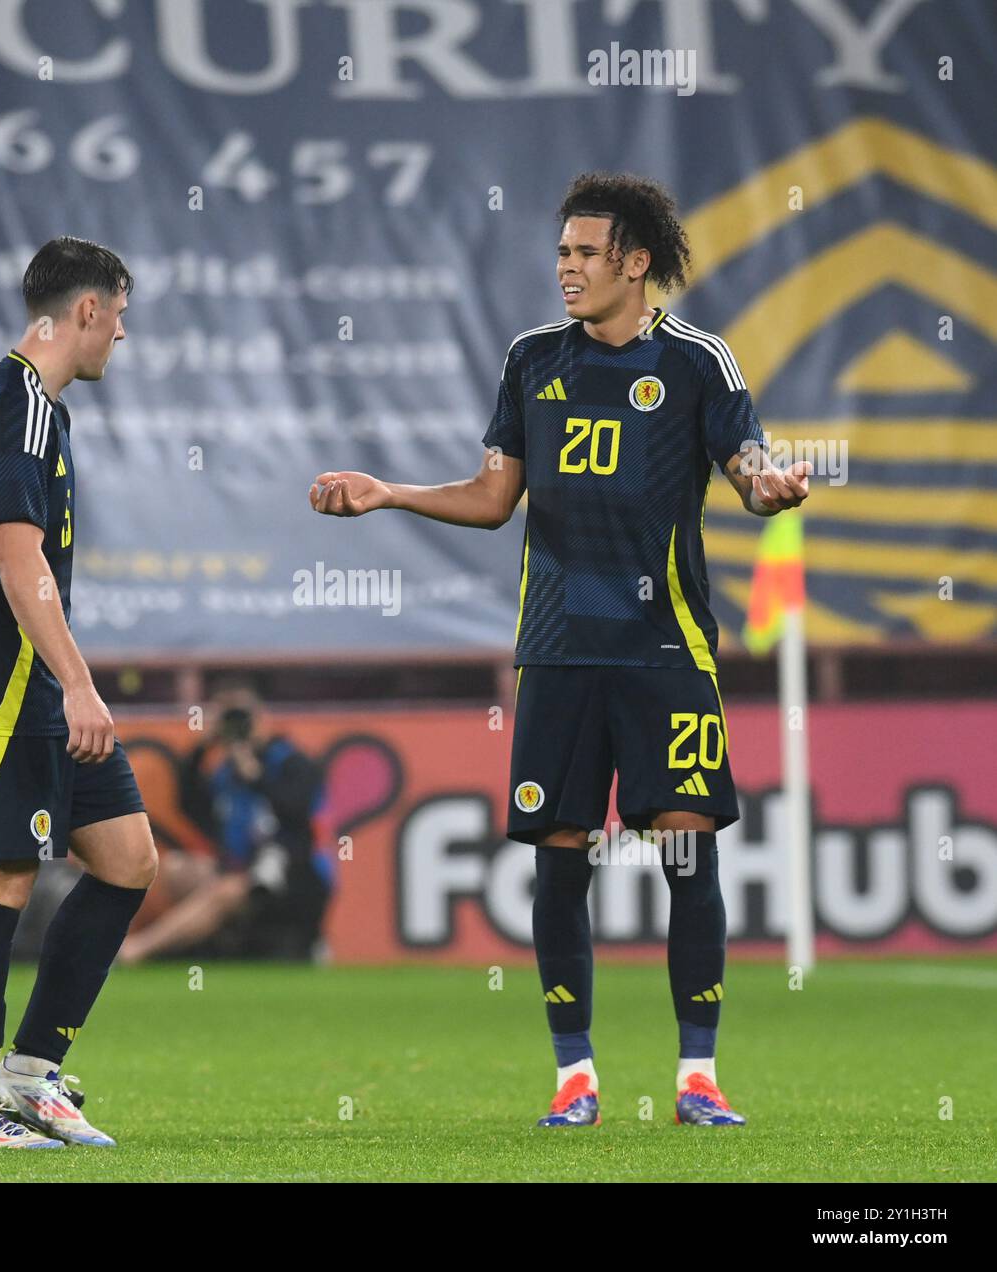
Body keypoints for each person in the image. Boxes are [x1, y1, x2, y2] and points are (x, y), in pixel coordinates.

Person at [309, 172, 811, 1129]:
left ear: (636, 262)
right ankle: (574, 1077)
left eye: (585, 254)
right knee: (560, 854)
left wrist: (770, 482)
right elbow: (496, 498)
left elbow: (746, 464)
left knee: (690, 855)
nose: (567, 270)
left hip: (666, 648)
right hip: (557, 649)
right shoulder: (532, 359)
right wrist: (387, 492)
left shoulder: (701, 362)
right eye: (563, 254)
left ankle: (697, 1077)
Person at [0, 236, 158, 1149]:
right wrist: (81, 684)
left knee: (128, 858)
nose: (121, 335)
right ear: (86, 310)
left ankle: (31, 1075)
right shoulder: (19, 409)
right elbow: (20, 565)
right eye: (120, 315)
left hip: (26, 685)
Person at [117, 682, 331, 964]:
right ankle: (189, 945)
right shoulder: (225, 772)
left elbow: (297, 812)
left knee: (226, 890)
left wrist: (256, 777)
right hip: (238, 868)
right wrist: (205, 745)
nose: (237, 723)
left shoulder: (289, 761)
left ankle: (135, 952)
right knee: (176, 868)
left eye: (241, 714)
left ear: (261, 715)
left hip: (292, 876)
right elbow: (190, 804)